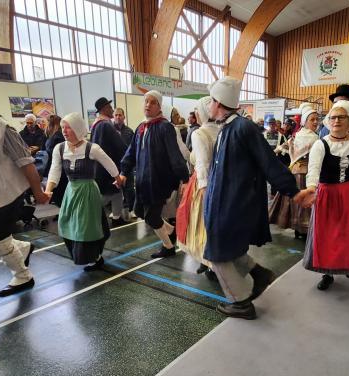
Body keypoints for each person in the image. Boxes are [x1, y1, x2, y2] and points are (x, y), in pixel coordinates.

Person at [203, 77, 301, 320]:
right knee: (231, 249)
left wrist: (294, 191)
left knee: (216, 255)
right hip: (223, 205)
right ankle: (259, 274)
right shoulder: (227, 128)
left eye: (211, 101)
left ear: (218, 103)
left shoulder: (242, 129)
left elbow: (269, 163)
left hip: (233, 206)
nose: (208, 106)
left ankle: (241, 303)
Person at [0, 81, 49, 296]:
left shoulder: (1, 129)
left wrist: (38, 193)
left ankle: (23, 276)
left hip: (6, 193)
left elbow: (26, 163)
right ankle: (23, 248)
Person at [301, 100, 349, 290]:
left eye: (341, 117)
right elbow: (313, 170)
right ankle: (327, 273)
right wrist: (311, 188)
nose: (336, 121)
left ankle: (346, 265)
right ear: (328, 121)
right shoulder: (321, 144)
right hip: (327, 194)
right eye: (333, 117)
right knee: (327, 235)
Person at [45, 112, 122, 271]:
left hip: (88, 191)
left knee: (85, 227)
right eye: (63, 128)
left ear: (78, 128)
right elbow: (55, 171)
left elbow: (110, 164)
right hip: (71, 192)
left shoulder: (92, 148)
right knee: (67, 223)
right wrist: (48, 190)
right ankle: (90, 255)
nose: (64, 131)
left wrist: (118, 178)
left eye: (68, 128)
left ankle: (93, 257)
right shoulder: (59, 149)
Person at [118, 90, 189, 258]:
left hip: (159, 181)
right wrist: (123, 172)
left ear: (159, 106)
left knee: (151, 216)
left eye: (153, 102)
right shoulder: (141, 127)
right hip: (142, 181)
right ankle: (171, 230)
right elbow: (131, 152)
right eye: (146, 101)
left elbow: (175, 155)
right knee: (140, 211)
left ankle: (168, 246)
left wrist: (184, 178)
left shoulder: (165, 127)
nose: (148, 105)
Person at [176, 96, 220, 278]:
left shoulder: (199, 133)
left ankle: (210, 262)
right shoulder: (220, 129)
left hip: (202, 185)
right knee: (213, 226)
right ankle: (208, 261)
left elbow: (201, 163)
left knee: (201, 226)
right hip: (219, 183)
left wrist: (203, 188)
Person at [269, 104, 319, 238]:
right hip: (304, 174)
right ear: (305, 122)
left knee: (292, 201)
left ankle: (298, 229)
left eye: (317, 119)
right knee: (302, 201)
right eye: (312, 119)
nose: (315, 122)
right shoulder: (314, 138)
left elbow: (283, 146)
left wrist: (274, 151)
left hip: (296, 172)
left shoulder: (299, 135)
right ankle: (302, 229)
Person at [91, 97, 128, 227]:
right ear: (104, 109)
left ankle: (117, 218)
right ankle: (89, 213)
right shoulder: (106, 125)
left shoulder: (96, 125)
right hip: (109, 165)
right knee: (107, 193)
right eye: (110, 107)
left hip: (99, 166)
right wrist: (129, 156)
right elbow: (120, 145)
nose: (112, 109)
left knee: (117, 191)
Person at [113, 107, 135, 217]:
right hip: (113, 165)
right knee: (115, 189)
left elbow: (134, 149)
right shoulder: (110, 130)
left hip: (127, 166)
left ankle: (132, 209)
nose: (118, 117)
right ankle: (116, 211)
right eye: (116, 115)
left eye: (120, 115)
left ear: (124, 117)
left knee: (129, 187)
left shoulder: (129, 131)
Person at [43, 114, 67, 206]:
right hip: (60, 169)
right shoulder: (58, 136)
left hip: (57, 169)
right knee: (61, 195)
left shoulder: (54, 137)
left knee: (60, 195)